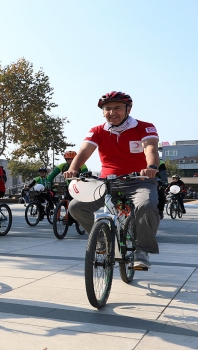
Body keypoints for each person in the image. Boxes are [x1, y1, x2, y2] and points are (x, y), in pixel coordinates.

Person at [64, 91, 160, 269]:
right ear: (102, 112)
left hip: (140, 180)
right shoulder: (97, 131)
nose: (112, 112)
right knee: (76, 207)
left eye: (117, 108)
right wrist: (73, 169)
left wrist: (152, 167)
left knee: (146, 206)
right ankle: (101, 241)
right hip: (107, 182)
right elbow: (84, 151)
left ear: (128, 109)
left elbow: (151, 148)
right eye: (107, 108)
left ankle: (142, 250)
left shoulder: (145, 127)